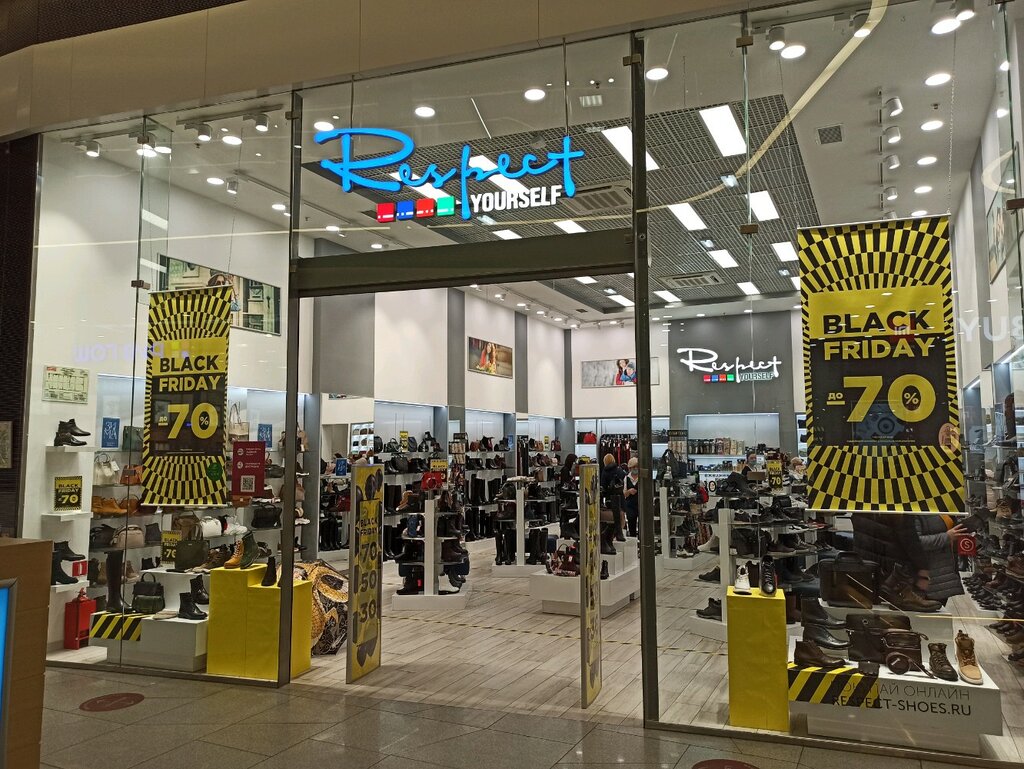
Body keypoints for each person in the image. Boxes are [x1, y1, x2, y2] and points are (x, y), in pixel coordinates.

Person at [912, 515, 967, 605]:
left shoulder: (944, 510)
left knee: (938, 607)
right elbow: (915, 542)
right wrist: (947, 537)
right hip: (929, 575)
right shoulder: (917, 513)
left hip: (943, 572)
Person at [623, 457, 640, 537]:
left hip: (640, 504)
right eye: (633, 467)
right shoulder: (626, 478)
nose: (635, 468)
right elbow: (624, 494)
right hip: (630, 505)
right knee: (631, 524)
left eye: (637, 466)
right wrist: (629, 491)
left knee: (642, 525)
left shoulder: (641, 478)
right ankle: (633, 540)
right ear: (630, 468)